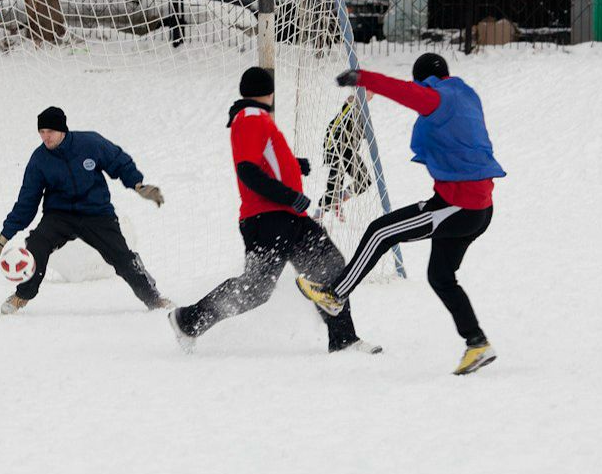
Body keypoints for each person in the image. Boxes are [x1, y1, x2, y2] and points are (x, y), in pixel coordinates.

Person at [296, 53, 505, 375]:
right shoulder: (466, 95)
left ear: (425, 81)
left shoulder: (439, 98)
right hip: (478, 206)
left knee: (381, 231)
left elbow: (406, 93)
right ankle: (477, 343)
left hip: (458, 206)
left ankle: (335, 295)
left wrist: (363, 78)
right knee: (441, 277)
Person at [167, 67, 381, 355]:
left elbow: (262, 159)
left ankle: (343, 339)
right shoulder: (250, 118)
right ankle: (187, 321)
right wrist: (290, 196)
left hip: (287, 217)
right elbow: (247, 171)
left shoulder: (254, 117)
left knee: (329, 265)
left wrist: (293, 164)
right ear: (269, 92)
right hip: (268, 219)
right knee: (256, 289)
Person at [0, 106, 170, 314]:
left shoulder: (90, 143)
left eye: (50, 131)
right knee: (37, 244)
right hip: (60, 215)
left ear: (62, 130)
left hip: (97, 213)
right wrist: (1, 240)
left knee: (123, 258)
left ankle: (154, 299)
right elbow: (26, 203)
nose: (45, 137)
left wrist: (138, 185)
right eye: (41, 132)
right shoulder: (39, 160)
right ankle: (22, 296)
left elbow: (119, 162)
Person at [315, 91, 375, 222]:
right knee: (334, 188)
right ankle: (318, 214)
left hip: (348, 151)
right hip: (337, 149)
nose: (373, 95)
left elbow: (362, 132)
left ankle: (338, 201)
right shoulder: (353, 103)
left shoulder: (361, 109)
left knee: (364, 180)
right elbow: (337, 126)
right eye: (371, 91)